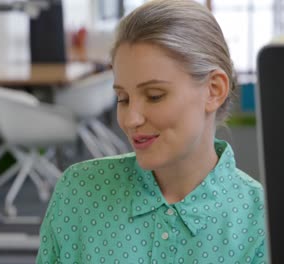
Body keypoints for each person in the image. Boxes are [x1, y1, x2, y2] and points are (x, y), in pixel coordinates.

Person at [36, 0, 267, 263]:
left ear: (214, 90)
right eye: (123, 98)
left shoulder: (261, 222)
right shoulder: (78, 192)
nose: (131, 119)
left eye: (155, 96)